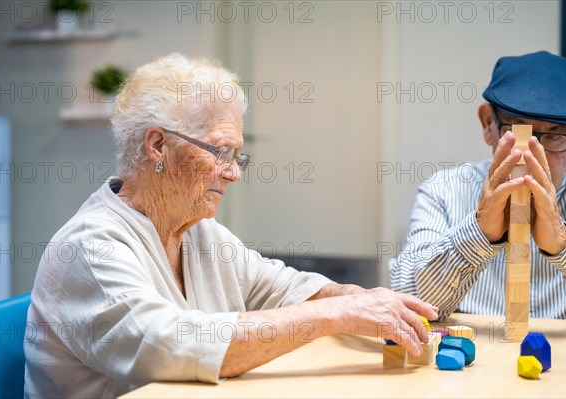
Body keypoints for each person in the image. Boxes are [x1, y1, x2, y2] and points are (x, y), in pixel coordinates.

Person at [24, 53, 438, 398]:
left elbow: (282, 288)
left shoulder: (199, 232)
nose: (233, 174)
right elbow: (169, 347)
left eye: (237, 156)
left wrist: (357, 298)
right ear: (157, 146)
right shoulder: (90, 247)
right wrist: (339, 312)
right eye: (219, 152)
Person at [390, 51, 566, 320]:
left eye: (555, 135)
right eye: (518, 130)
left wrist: (562, 244)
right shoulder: (443, 190)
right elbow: (409, 304)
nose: (531, 155)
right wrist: (479, 233)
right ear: (489, 124)